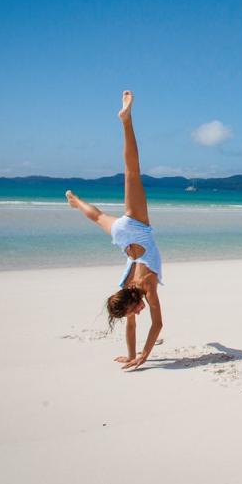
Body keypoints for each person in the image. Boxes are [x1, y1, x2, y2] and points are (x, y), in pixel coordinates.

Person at [65, 91, 163, 370]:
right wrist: (134, 356)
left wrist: (143, 355)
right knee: (96, 217)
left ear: (131, 301)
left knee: (132, 171)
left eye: (133, 311)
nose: (137, 314)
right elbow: (134, 324)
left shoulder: (145, 287)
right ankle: (75, 201)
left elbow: (158, 324)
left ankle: (126, 120)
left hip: (136, 229)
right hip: (122, 237)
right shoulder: (126, 289)